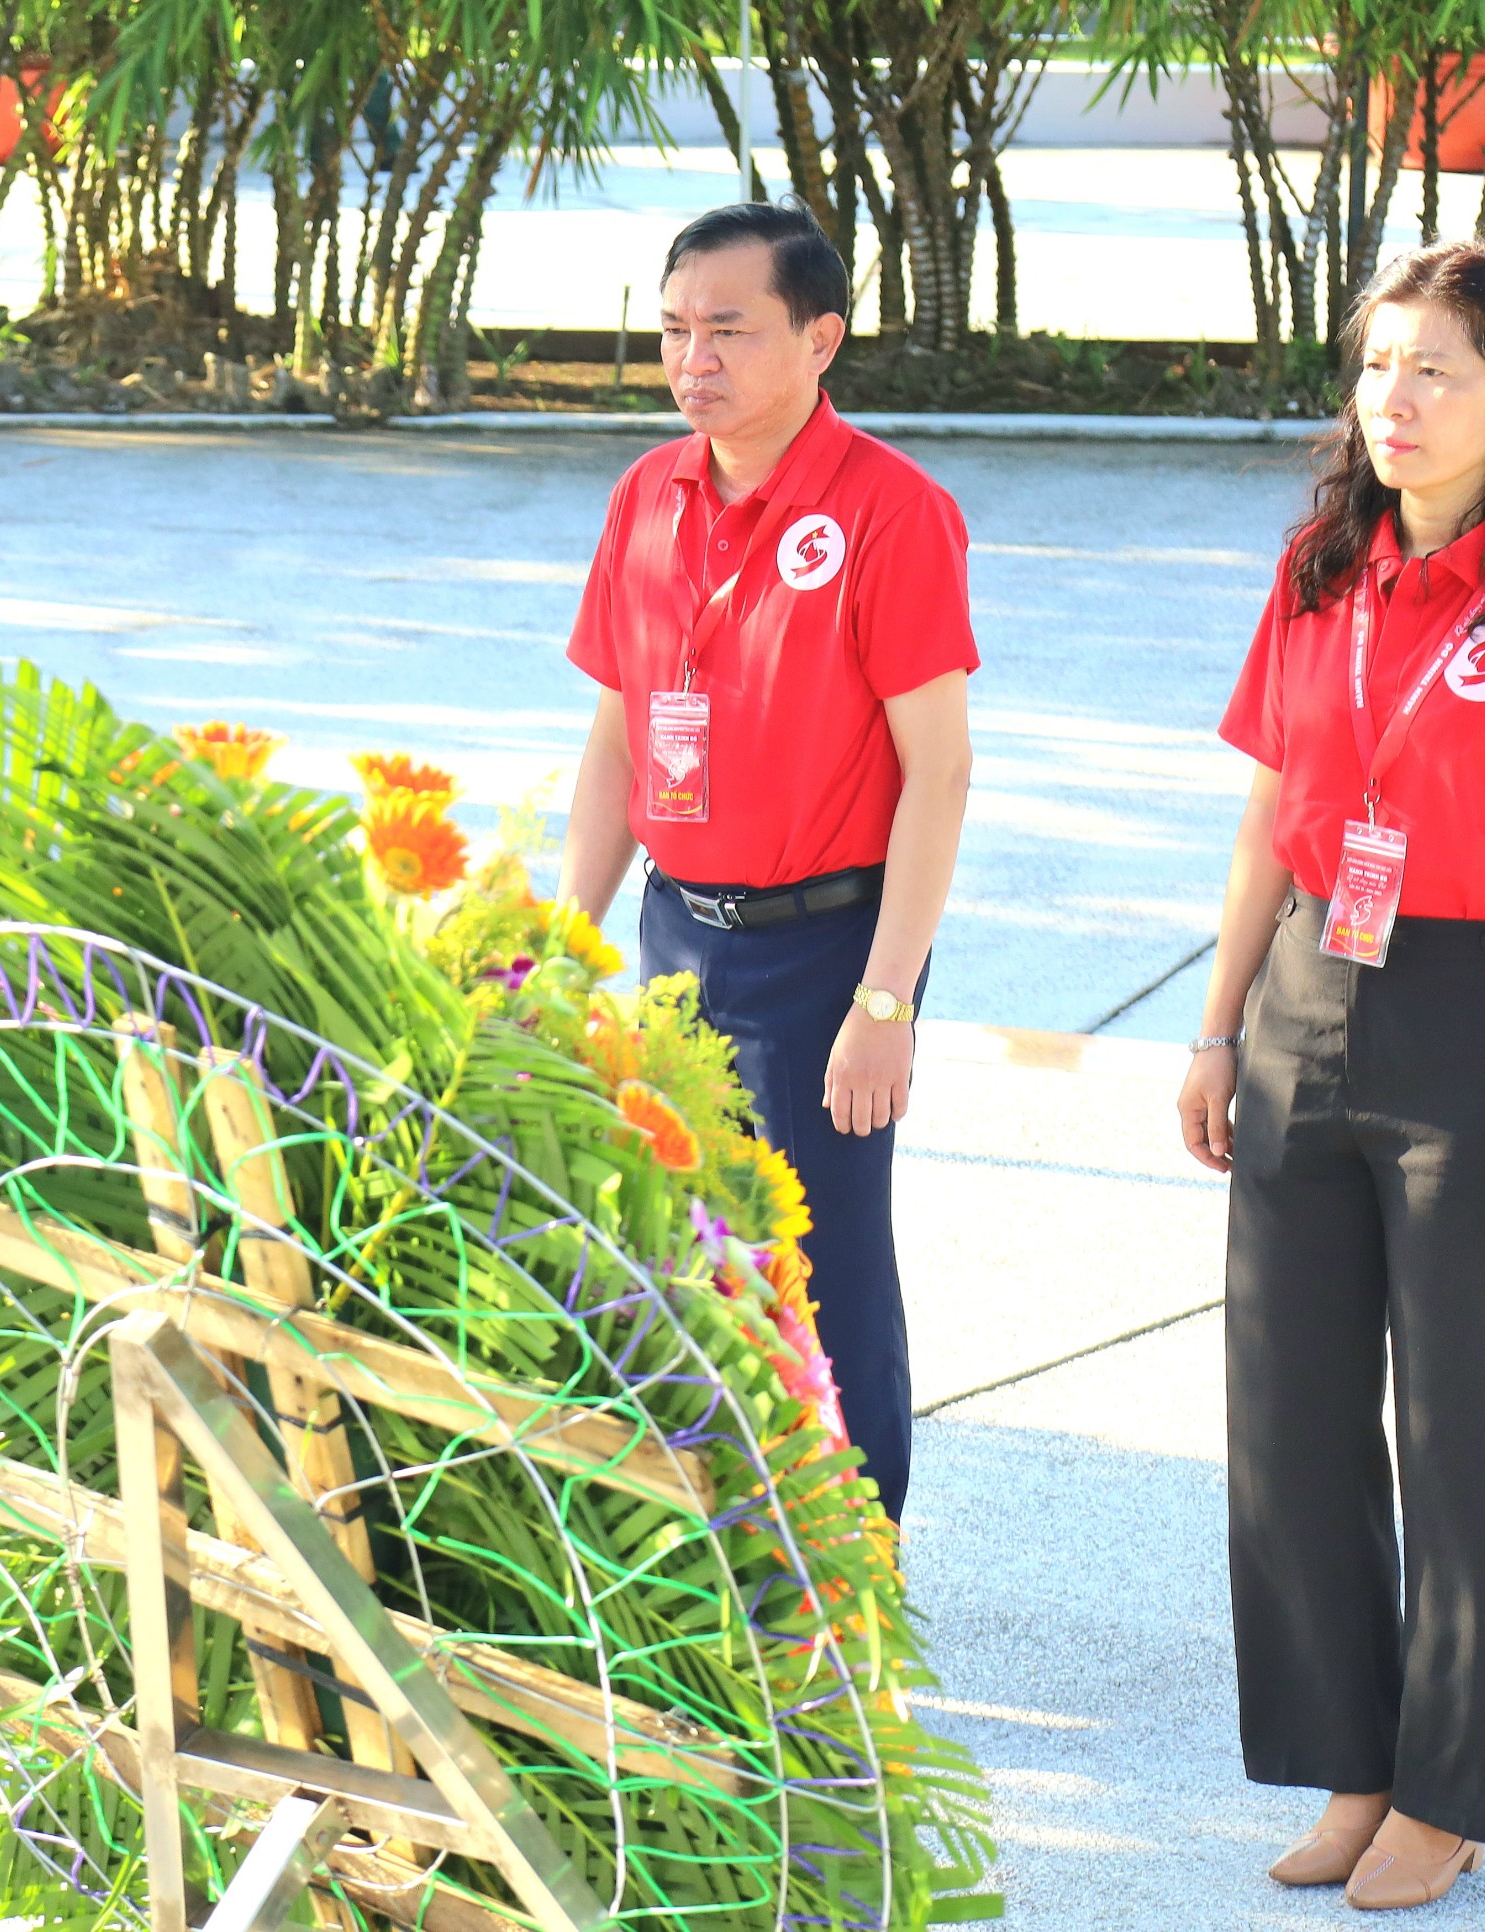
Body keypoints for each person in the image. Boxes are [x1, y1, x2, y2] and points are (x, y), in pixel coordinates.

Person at [1176, 243, 1485, 1912]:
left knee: (1466, 1437)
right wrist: (1221, 1021)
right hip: (1309, 985)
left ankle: (1447, 1792)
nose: (1398, 401)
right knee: (1289, 1423)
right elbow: (1263, 819)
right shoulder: (1320, 572)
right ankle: (1352, 1764)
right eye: (1380, 367)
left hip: (1478, 1012)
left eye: (1439, 369)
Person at [557, 200, 977, 1525]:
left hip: (827, 956)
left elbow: (940, 773)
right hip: (682, 937)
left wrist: (885, 1001)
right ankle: (729, 1565)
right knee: (695, 1262)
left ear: (821, 339)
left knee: (829, 1278)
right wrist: (566, 944)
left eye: (730, 330)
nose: (697, 360)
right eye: (677, 331)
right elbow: (620, 740)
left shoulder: (892, 513)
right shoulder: (648, 496)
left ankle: (851, 1593)